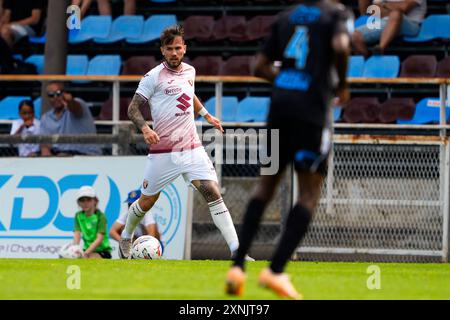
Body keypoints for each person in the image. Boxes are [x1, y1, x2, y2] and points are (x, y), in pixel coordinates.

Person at [225, 0, 351, 300]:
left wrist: (284, 82)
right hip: (312, 113)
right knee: (309, 193)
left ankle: (237, 267)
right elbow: (343, 47)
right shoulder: (336, 15)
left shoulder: (285, 17)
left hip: (278, 109)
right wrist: (342, 85)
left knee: (265, 185)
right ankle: (275, 270)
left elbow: (258, 66)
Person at [117, 25, 253, 262]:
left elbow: (188, 94)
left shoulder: (190, 71)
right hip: (163, 151)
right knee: (148, 200)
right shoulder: (152, 77)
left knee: (211, 191)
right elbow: (133, 108)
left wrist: (207, 115)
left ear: (184, 49)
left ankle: (237, 251)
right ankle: (127, 236)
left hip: (190, 147)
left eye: (177, 48)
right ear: (162, 50)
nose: (174, 53)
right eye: (169, 49)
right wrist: (146, 128)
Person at [39, 81, 102, 156]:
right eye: (51, 95)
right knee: (32, 156)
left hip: (85, 153)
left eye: (58, 93)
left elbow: (75, 108)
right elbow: (44, 145)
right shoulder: (46, 117)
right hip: (58, 155)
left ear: (65, 93)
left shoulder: (78, 103)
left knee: (62, 155)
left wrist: (69, 101)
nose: (55, 97)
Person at [352, 0, 426, 56]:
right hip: (385, 21)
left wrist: (384, 5)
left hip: (411, 24)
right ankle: (368, 61)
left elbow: (404, 7)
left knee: (396, 14)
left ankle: (380, 48)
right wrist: (393, 7)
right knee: (354, 36)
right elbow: (375, 10)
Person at [73, 185, 113, 259]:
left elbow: (99, 239)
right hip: (86, 251)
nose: (85, 203)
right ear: (78, 202)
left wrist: (86, 253)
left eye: (88, 199)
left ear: (95, 201)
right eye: (82, 200)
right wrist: (75, 250)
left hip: (102, 251)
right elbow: (77, 235)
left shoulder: (101, 216)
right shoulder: (78, 216)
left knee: (89, 259)